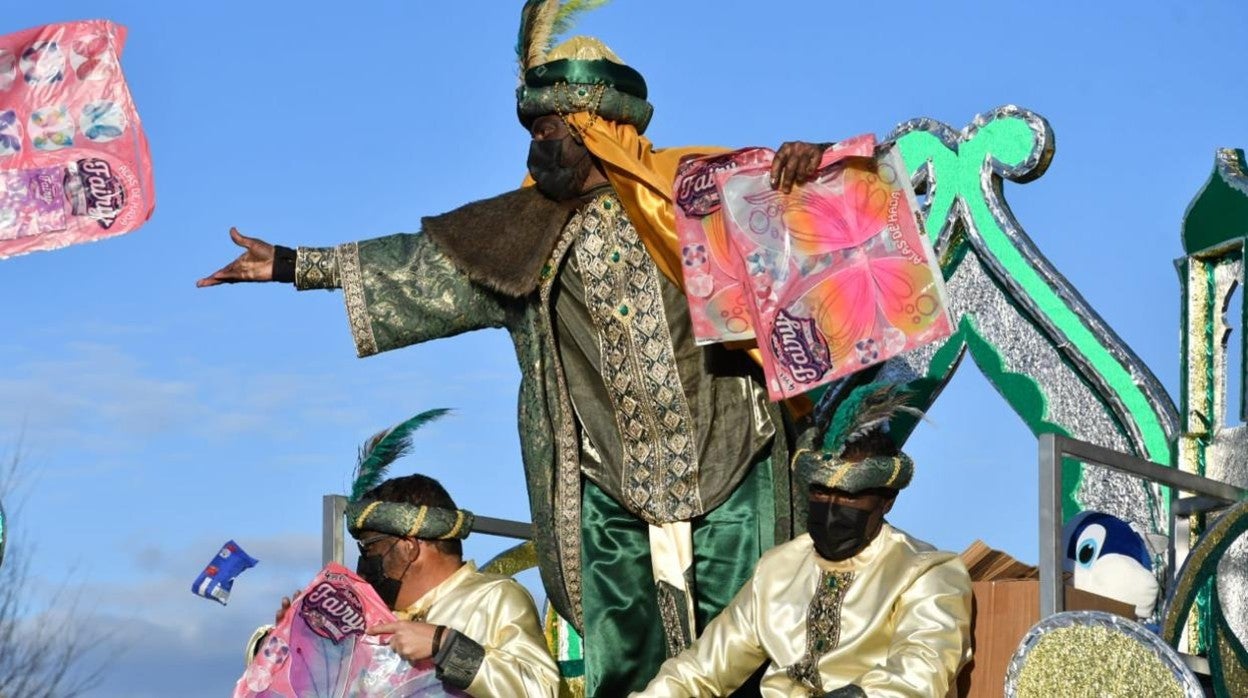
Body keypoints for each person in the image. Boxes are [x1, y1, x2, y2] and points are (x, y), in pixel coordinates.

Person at [205, 2, 832, 693]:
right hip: (606, 487)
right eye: (532, 129)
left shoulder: (703, 197)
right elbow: (419, 267)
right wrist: (297, 264)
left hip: (732, 462)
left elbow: (833, 251)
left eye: (549, 127)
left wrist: (808, 175)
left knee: (752, 654)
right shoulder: (521, 233)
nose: (536, 144)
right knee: (627, 670)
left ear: (597, 124)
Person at [635, 383, 973, 697]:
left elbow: (919, 675)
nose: (832, 507)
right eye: (821, 492)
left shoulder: (926, 572)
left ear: (886, 501)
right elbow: (699, 670)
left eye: (848, 495)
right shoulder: (778, 569)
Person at [257, 473, 559, 697]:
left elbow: (540, 690)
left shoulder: (494, 598)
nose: (364, 564)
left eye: (369, 548)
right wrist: (297, 642)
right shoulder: (370, 617)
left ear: (409, 547)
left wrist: (445, 645)